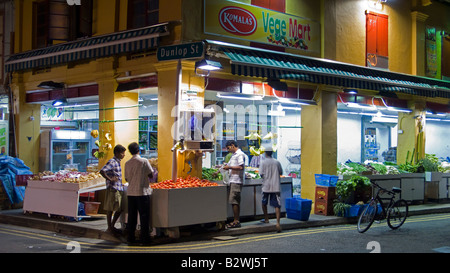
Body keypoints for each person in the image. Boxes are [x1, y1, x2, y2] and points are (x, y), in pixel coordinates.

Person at [124, 142, 154, 245]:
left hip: (131, 192)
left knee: (132, 217)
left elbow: (126, 178)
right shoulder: (144, 161)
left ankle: (131, 238)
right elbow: (150, 174)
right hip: (142, 192)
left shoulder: (127, 163)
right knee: (144, 216)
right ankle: (145, 239)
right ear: (139, 150)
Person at [100, 144, 127, 235]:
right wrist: (110, 179)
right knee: (111, 209)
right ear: (117, 153)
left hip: (118, 187)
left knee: (119, 208)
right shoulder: (112, 162)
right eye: (122, 153)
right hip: (113, 188)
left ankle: (111, 226)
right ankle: (110, 227)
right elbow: (102, 171)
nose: (124, 155)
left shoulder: (117, 162)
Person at [259, 150, 283, 232]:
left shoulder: (263, 162)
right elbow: (281, 172)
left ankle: (266, 219)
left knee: (264, 203)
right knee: (277, 205)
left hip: (266, 186)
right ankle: (278, 223)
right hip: (276, 186)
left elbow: (261, 174)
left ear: (265, 153)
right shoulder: (277, 162)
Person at [223, 140, 245, 229]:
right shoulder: (233, 155)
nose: (228, 150)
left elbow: (241, 166)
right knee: (233, 201)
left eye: (228, 148)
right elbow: (228, 165)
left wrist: (230, 167)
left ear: (232, 145)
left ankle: (236, 221)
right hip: (233, 180)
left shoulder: (239, 154)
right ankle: (235, 220)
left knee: (234, 201)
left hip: (237, 181)